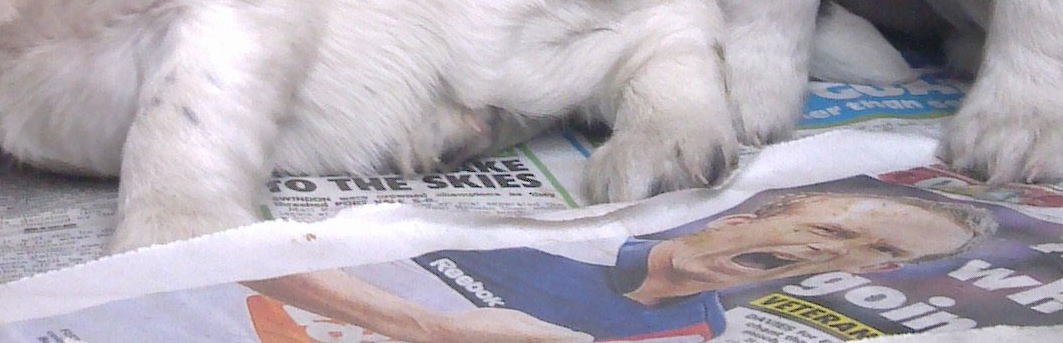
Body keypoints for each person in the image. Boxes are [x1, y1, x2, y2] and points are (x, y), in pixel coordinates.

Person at [246, 187, 991, 343]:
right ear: (756, 214)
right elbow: (247, 253)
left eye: (880, 253)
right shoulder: (551, 229)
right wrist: (428, 327)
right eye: (832, 227)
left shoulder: (700, 333)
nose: (838, 252)